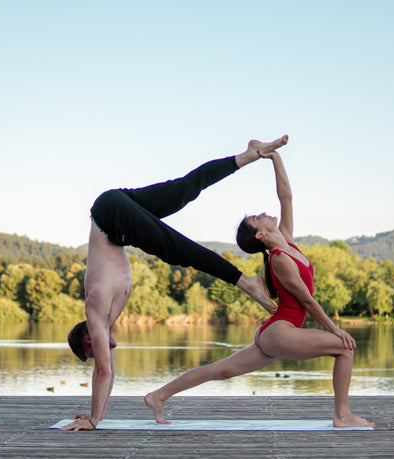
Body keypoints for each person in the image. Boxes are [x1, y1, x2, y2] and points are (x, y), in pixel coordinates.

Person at [61, 136, 289, 431]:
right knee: (184, 189)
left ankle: (246, 282)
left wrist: (92, 420)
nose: (107, 350)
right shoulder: (107, 318)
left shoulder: (95, 308)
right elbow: (108, 369)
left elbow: (103, 370)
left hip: (109, 215)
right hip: (115, 211)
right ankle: (248, 155)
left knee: (176, 248)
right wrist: (97, 416)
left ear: (88, 339)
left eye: (95, 351)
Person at [144, 146, 374, 428]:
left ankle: (159, 394)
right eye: (257, 218)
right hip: (281, 331)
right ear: (261, 235)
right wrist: (335, 329)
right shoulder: (280, 261)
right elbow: (308, 303)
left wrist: (275, 157)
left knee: (222, 371)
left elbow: (286, 196)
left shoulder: (287, 242)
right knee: (344, 347)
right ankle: (342, 415)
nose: (263, 213)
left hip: (275, 332)